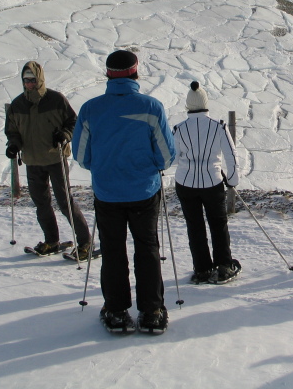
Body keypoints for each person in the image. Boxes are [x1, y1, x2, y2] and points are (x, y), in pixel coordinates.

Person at [71, 50, 176, 334]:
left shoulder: (90, 109)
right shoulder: (151, 107)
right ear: (135, 73)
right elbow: (166, 156)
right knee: (147, 248)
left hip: (108, 194)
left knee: (113, 250)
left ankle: (116, 311)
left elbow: (81, 156)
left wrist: (102, 168)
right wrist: (150, 167)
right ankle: (152, 311)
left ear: (108, 74)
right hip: (143, 191)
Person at [5, 61, 91, 257]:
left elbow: (73, 122)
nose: (29, 84)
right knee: (41, 204)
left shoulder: (56, 100)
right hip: (32, 161)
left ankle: (85, 241)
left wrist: (65, 135)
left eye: (32, 80)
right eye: (26, 80)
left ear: (40, 79)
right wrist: (14, 145)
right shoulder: (17, 105)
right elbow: (12, 131)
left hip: (55, 158)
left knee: (65, 202)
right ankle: (51, 241)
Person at [173, 81, 241, 284]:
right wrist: (232, 180)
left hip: (185, 183)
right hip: (212, 182)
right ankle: (223, 266)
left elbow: (173, 158)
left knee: (194, 226)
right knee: (218, 224)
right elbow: (231, 155)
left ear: (188, 104)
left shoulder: (179, 129)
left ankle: (202, 269)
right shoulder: (218, 126)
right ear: (205, 102)